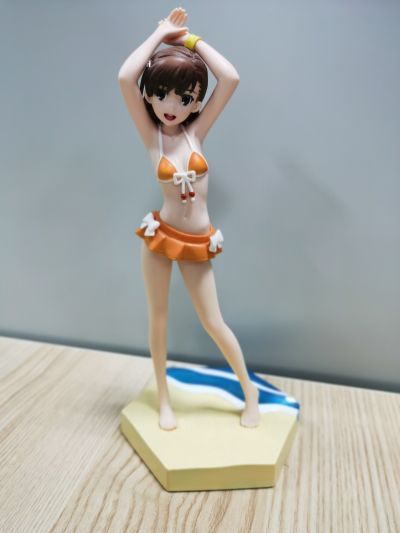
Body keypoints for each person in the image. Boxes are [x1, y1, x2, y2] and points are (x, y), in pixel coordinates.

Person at [118, 7, 260, 430]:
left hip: (196, 242)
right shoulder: (153, 138)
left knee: (213, 321)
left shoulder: (195, 132)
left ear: (196, 101)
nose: (171, 106)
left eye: (183, 98)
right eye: (161, 94)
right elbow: (125, 77)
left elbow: (230, 77)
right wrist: (159, 36)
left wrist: (189, 41)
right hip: (160, 238)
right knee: (158, 319)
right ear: (149, 95)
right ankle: (163, 399)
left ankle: (249, 393)